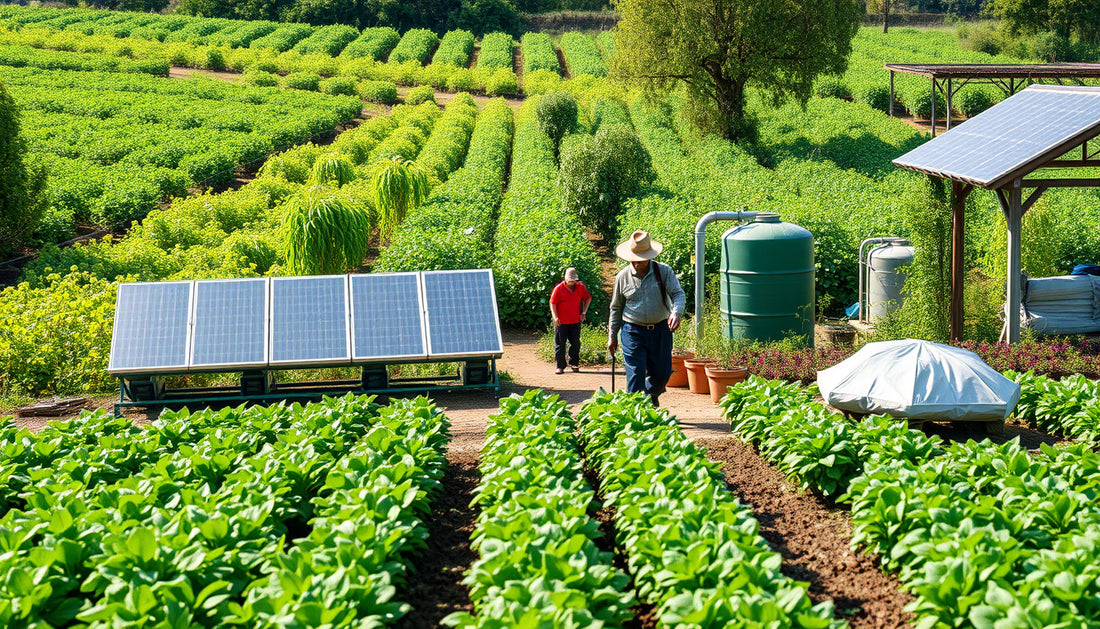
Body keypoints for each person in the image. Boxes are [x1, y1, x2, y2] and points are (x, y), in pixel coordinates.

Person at [607, 230, 685, 406]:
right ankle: (635, 414)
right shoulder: (622, 277)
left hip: (660, 330)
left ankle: (650, 396)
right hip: (632, 331)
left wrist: (676, 312)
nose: (636, 262)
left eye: (640, 258)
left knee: (662, 374)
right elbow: (616, 308)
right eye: (633, 258)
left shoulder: (663, 271)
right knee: (635, 374)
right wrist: (612, 336)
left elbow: (678, 294)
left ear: (649, 257)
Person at [550, 267, 592, 374]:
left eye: (573, 281)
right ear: (565, 279)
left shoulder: (580, 287)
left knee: (575, 343)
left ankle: (574, 363)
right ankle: (560, 366)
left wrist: (583, 312)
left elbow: (588, 298)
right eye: (570, 280)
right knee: (560, 344)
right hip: (561, 322)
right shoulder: (558, 288)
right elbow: (553, 303)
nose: (571, 283)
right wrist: (555, 317)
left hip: (575, 321)